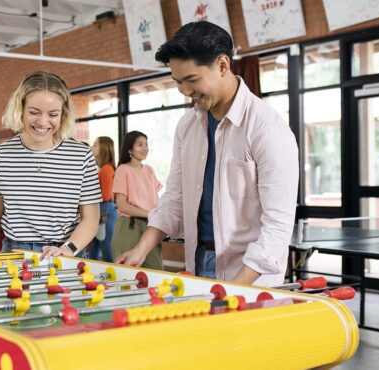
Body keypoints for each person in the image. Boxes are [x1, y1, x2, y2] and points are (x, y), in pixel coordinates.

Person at [115, 21, 299, 286]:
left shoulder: (267, 129)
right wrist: (141, 248)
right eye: (178, 82)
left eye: (191, 80)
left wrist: (238, 285)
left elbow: (278, 226)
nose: (186, 92)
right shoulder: (187, 125)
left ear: (222, 65)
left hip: (249, 272)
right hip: (198, 261)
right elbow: (175, 198)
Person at [0, 71, 101, 259]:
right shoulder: (1, 155)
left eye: (53, 114)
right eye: (34, 112)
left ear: (63, 114)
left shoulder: (81, 155)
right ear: (20, 109)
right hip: (16, 253)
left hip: (66, 253)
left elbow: (91, 218)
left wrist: (68, 248)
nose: (43, 122)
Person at [111, 131, 164, 270]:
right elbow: (122, 206)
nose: (145, 148)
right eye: (140, 145)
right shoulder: (123, 170)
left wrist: (159, 216)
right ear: (130, 148)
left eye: (146, 144)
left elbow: (156, 201)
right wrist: (150, 214)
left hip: (150, 227)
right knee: (126, 273)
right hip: (129, 227)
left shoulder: (149, 170)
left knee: (156, 272)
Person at [90, 136, 117, 262]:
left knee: (105, 247)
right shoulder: (103, 169)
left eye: (95, 145)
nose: (92, 147)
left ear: (103, 149)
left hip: (104, 210)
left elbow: (105, 196)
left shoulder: (106, 169)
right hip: (102, 210)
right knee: (95, 246)